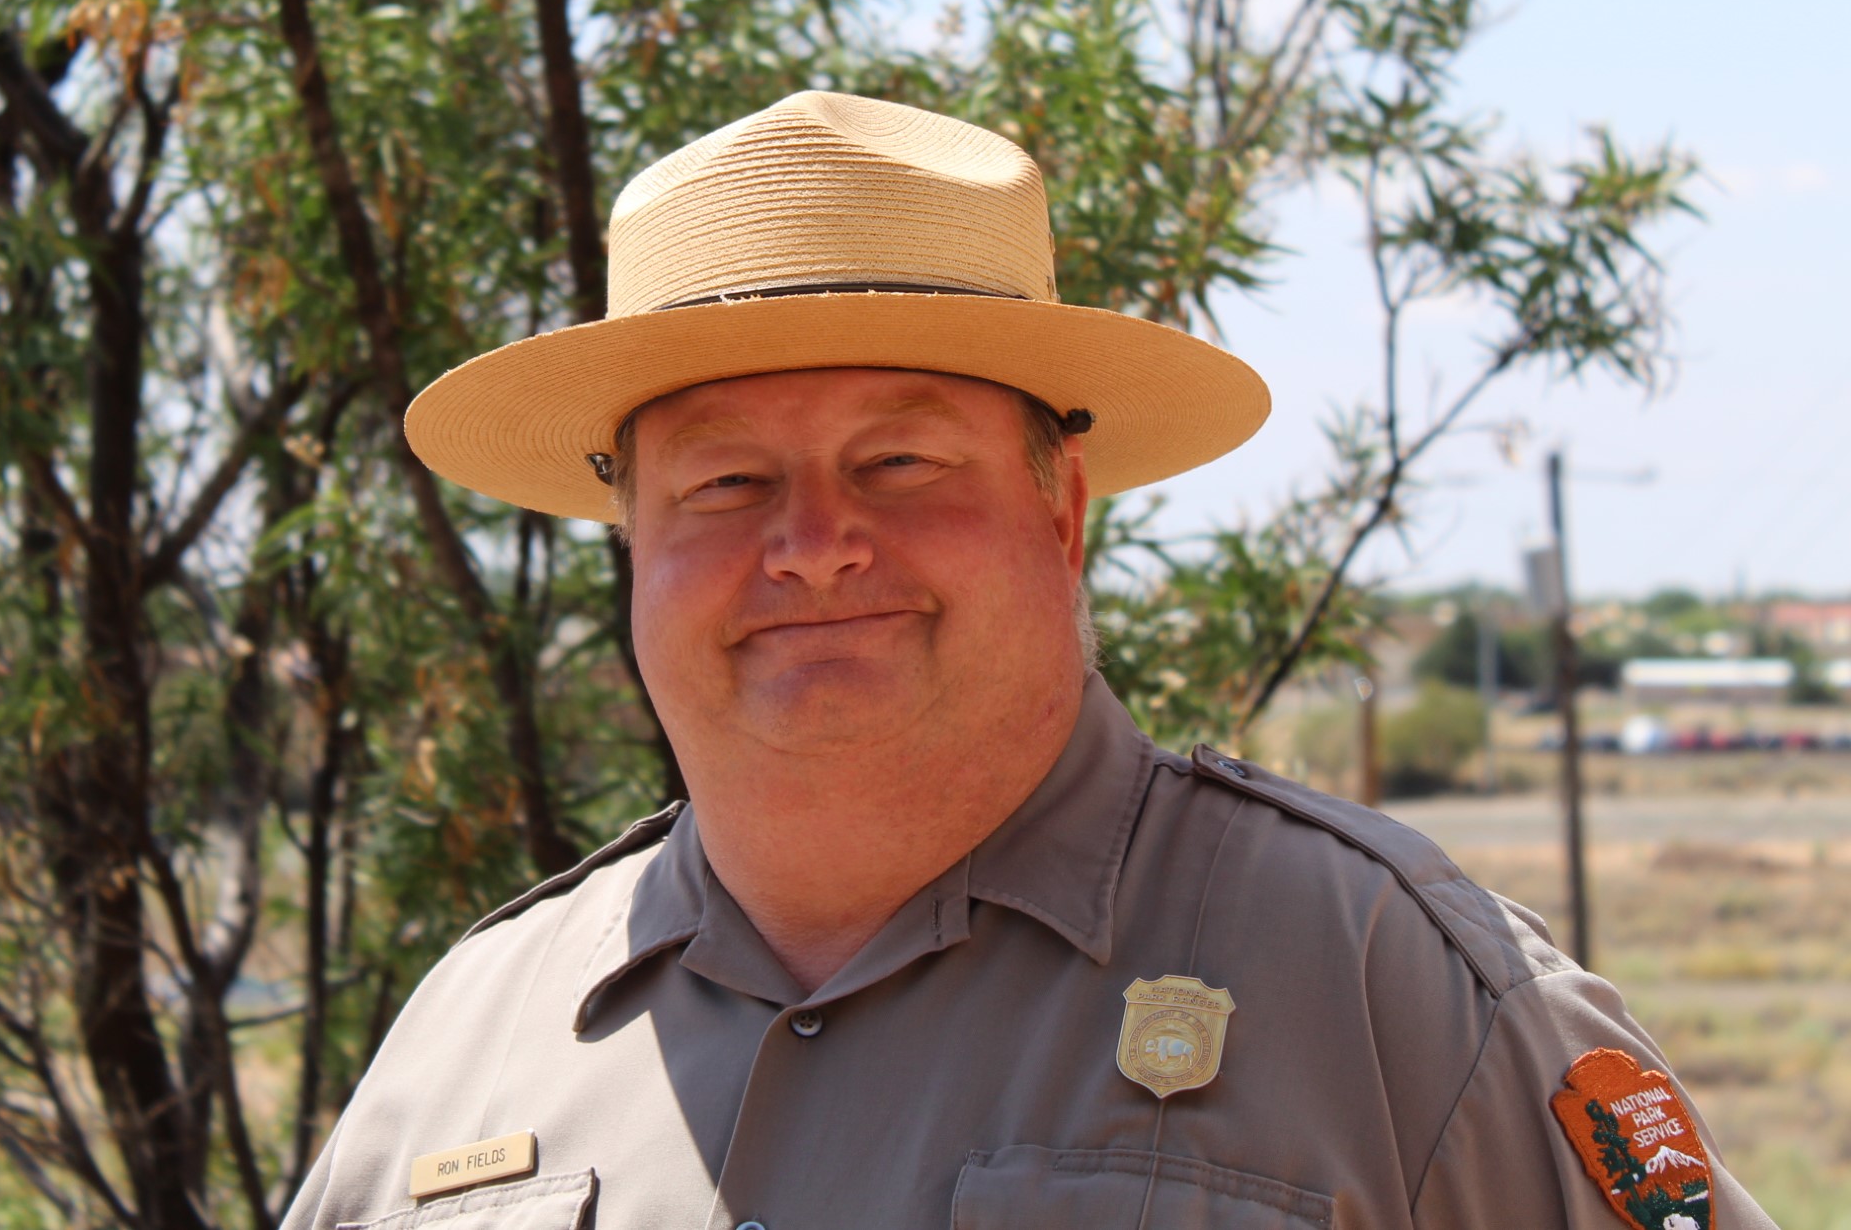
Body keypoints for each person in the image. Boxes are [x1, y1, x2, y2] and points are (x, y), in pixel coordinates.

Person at [284, 91, 1770, 1230]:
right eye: (725, 483)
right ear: (630, 541)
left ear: (1061, 509)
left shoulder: (1395, 992)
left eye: (901, 460)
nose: (813, 542)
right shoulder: (465, 1046)